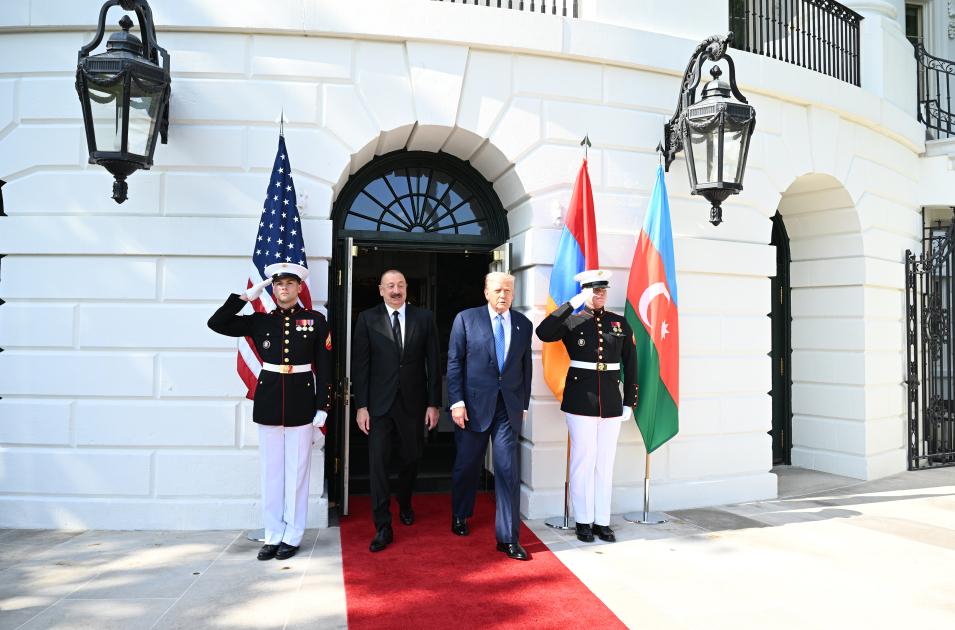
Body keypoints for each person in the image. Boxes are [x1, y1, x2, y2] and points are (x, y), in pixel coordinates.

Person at [207, 263, 330, 561]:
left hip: (302, 403)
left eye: (290, 283)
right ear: (272, 289)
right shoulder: (259, 321)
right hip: (269, 402)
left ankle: (293, 535)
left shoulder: (315, 321)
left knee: (297, 473)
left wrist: (322, 408)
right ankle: (273, 535)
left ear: (300, 288)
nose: (284, 288)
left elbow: (325, 367)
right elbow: (217, 322)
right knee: (271, 474)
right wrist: (247, 295)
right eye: (278, 284)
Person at [535, 269, 638, 544]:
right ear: (585, 292)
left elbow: (631, 363)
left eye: (603, 289)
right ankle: (583, 520)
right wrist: (571, 303)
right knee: (583, 460)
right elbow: (543, 333)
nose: (600, 294)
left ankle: (602, 522)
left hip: (612, 402)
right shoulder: (572, 321)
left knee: (605, 463)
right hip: (580, 399)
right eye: (594, 290)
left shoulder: (619, 323)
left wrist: (629, 400)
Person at [351, 270, 441, 552]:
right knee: (378, 461)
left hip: (413, 402)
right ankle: (383, 525)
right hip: (378, 404)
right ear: (381, 290)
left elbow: (434, 364)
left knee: (412, 457)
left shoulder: (424, 318)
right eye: (390, 286)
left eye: (400, 285)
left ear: (406, 288)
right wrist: (361, 405)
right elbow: (361, 366)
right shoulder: (367, 318)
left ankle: (404, 501)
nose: (395, 290)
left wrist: (433, 403)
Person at [447, 272, 533, 561]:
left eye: (508, 290)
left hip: (507, 409)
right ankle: (460, 514)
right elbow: (455, 362)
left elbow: (525, 367)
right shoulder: (466, 319)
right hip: (472, 408)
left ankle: (508, 538)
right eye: (497, 290)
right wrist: (456, 402)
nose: (503, 295)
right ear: (486, 292)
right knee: (467, 465)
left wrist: (523, 405)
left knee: (508, 470)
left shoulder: (523, 324)